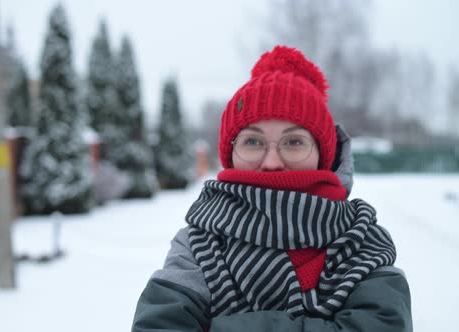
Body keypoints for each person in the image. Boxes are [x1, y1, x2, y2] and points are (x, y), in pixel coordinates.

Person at [132, 45, 412, 331]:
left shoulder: (363, 240)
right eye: (253, 142)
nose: (272, 162)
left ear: (322, 155)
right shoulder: (199, 243)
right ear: (231, 153)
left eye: (294, 142)